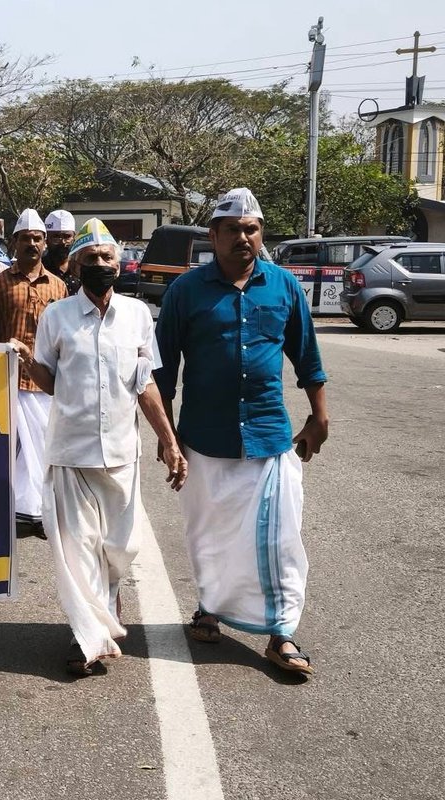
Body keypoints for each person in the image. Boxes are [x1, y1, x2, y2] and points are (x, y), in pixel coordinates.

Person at [154, 187, 328, 677]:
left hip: (270, 440)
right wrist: (168, 439)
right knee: (209, 536)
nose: (242, 238)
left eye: (251, 229)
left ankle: (281, 633)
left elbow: (307, 357)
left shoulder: (284, 286)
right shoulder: (186, 291)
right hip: (204, 441)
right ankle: (210, 610)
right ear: (213, 235)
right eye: (232, 230)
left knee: (279, 539)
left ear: (261, 234)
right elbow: (162, 374)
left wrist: (320, 417)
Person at [12, 217, 186, 676]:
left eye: (107, 257)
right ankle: (87, 637)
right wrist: (30, 360)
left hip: (121, 453)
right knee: (77, 547)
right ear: (74, 265)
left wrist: (169, 442)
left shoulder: (137, 315)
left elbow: (145, 386)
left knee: (118, 547)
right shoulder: (57, 316)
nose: (100, 265)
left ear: (120, 262)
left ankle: (106, 606)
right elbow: (48, 381)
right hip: (70, 450)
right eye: (90, 259)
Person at [0, 208, 69, 536]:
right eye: (25, 238)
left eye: (37, 238)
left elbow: (64, 335)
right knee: (9, 451)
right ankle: (11, 512)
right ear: (14, 242)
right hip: (7, 382)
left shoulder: (58, 287)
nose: (32, 243)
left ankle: (44, 513)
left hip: (44, 381)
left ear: (45, 243)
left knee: (44, 450)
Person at [42, 209, 81, 296]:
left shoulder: (81, 268)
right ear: (46, 239)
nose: (62, 242)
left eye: (67, 237)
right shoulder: (39, 268)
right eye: (56, 237)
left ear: (74, 238)